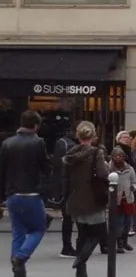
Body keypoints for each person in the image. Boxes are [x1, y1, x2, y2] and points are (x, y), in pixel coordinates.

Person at [0, 111, 51, 277]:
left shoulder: (7, 143)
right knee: (39, 228)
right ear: (36, 126)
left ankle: (17, 269)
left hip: (12, 194)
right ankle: (20, 258)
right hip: (31, 193)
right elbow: (45, 168)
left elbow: (2, 171)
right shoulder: (39, 143)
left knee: (18, 231)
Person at [64, 121, 111, 277]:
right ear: (93, 136)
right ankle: (81, 258)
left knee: (82, 234)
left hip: (75, 197)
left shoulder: (71, 153)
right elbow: (102, 173)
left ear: (78, 135)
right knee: (99, 233)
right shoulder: (96, 152)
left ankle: (81, 272)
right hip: (92, 197)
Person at [49, 124, 78, 259]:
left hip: (62, 185)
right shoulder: (71, 145)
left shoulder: (62, 143)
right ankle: (67, 247)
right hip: (70, 187)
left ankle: (67, 246)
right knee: (69, 217)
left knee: (68, 217)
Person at [108, 148, 136, 253]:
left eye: (120, 156)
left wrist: (133, 188)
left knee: (127, 222)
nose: (118, 158)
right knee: (118, 222)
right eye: (116, 156)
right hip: (116, 199)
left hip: (128, 199)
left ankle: (125, 241)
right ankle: (119, 243)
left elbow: (134, 182)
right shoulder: (109, 168)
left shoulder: (130, 169)